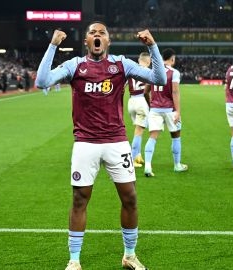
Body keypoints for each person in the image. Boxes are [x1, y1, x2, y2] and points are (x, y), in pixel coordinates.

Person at [35, 21, 166, 270]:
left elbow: (159, 77)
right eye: (92, 33)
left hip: (117, 142)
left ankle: (129, 255)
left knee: (130, 198)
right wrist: (53, 45)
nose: (97, 36)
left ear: (108, 41)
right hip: (85, 143)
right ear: (86, 41)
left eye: (102, 33)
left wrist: (153, 47)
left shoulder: (121, 64)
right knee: (79, 200)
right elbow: (42, 81)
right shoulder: (75, 65)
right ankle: (74, 260)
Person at [143, 48, 188, 177]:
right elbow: (175, 91)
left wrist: (151, 104)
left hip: (155, 109)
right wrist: (178, 111)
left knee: (152, 137)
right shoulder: (174, 72)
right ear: (172, 59)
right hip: (170, 110)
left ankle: (147, 166)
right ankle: (177, 165)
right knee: (175, 136)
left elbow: (145, 91)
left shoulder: (153, 71)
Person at [128, 52, 151, 168]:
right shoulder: (147, 71)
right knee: (139, 131)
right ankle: (131, 160)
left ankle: (138, 156)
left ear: (139, 59)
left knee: (137, 129)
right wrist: (150, 105)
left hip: (131, 101)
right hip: (141, 101)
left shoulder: (131, 70)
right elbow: (147, 92)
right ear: (149, 61)